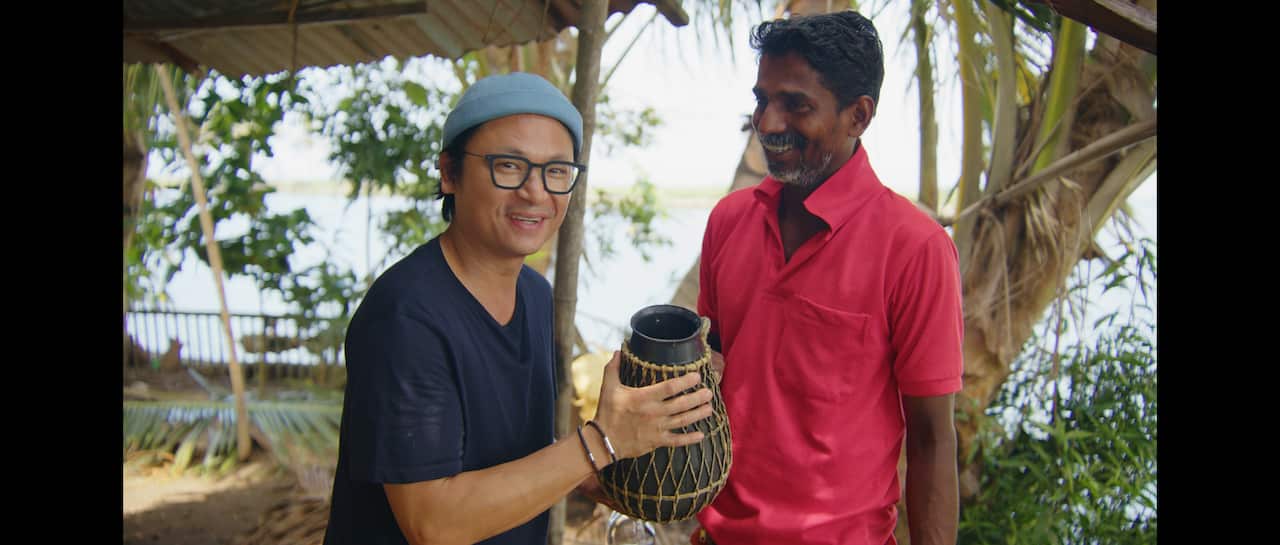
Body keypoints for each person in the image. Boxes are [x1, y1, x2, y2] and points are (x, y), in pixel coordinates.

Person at [322, 72, 715, 545]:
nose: (535, 192)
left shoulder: (534, 294)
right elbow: (433, 523)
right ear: (449, 173)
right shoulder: (405, 316)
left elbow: (504, 451)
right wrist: (599, 443)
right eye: (508, 166)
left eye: (557, 171)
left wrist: (595, 469)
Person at [693, 11, 964, 545]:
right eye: (762, 100)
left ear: (858, 115)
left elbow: (932, 439)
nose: (768, 123)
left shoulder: (916, 249)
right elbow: (710, 370)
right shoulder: (728, 221)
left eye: (796, 105)